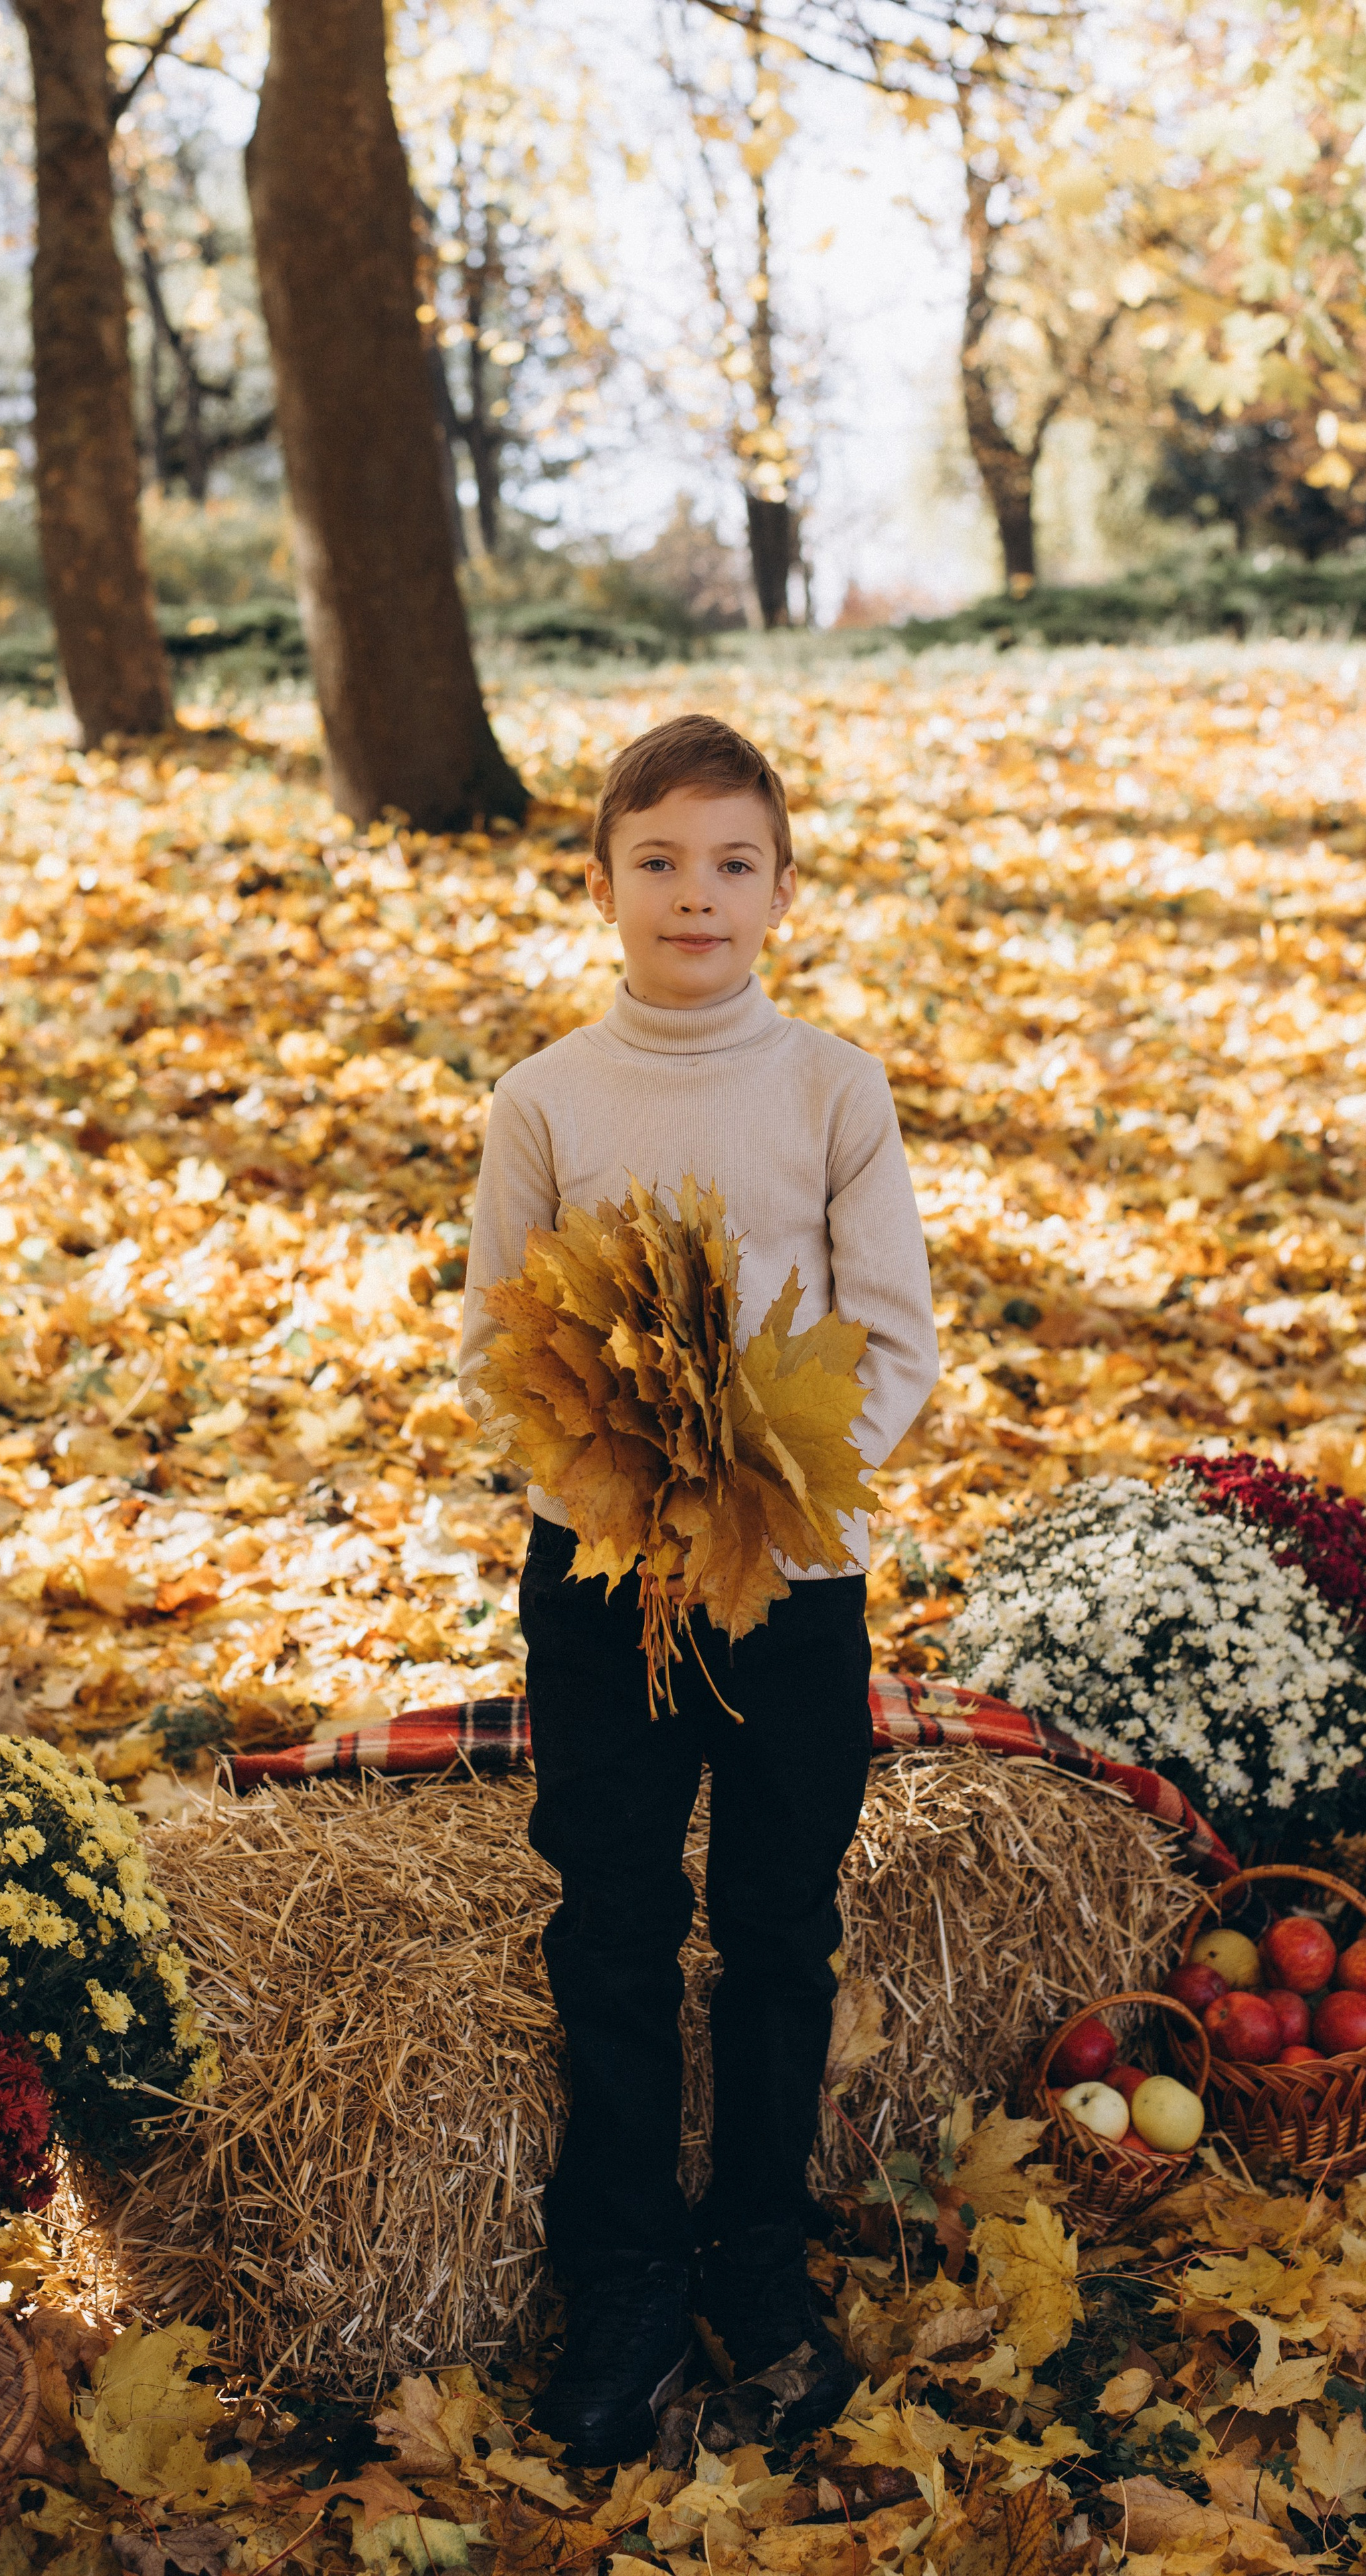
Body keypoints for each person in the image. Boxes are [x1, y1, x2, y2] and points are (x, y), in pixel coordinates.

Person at [458, 712, 939, 2464]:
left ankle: (756, 2255)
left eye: (733, 861)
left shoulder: (829, 1085)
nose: (695, 893)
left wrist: (772, 1490)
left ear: (783, 892)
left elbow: (894, 1335)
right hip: (604, 1582)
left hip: (795, 1579)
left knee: (779, 1924)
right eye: (658, 860)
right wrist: (631, 1497)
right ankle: (625, 2279)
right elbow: (502, 1351)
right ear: (601, 884)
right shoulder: (546, 1102)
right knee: (609, 1926)